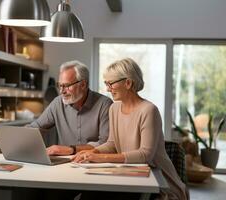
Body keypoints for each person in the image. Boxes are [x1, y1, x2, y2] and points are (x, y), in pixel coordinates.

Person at [73, 58, 188, 200]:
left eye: (110, 83)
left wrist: (99, 157)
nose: (108, 89)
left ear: (128, 83)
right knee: (90, 194)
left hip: (160, 183)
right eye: (106, 84)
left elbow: (145, 155)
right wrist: (92, 151)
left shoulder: (148, 110)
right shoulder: (114, 109)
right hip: (131, 175)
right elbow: (112, 143)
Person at [28, 60, 113, 156]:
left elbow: (106, 145)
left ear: (83, 84)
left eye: (67, 86)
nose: (62, 91)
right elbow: (34, 128)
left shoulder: (104, 104)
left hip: (94, 162)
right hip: (65, 164)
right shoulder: (57, 103)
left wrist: (71, 149)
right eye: (60, 85)